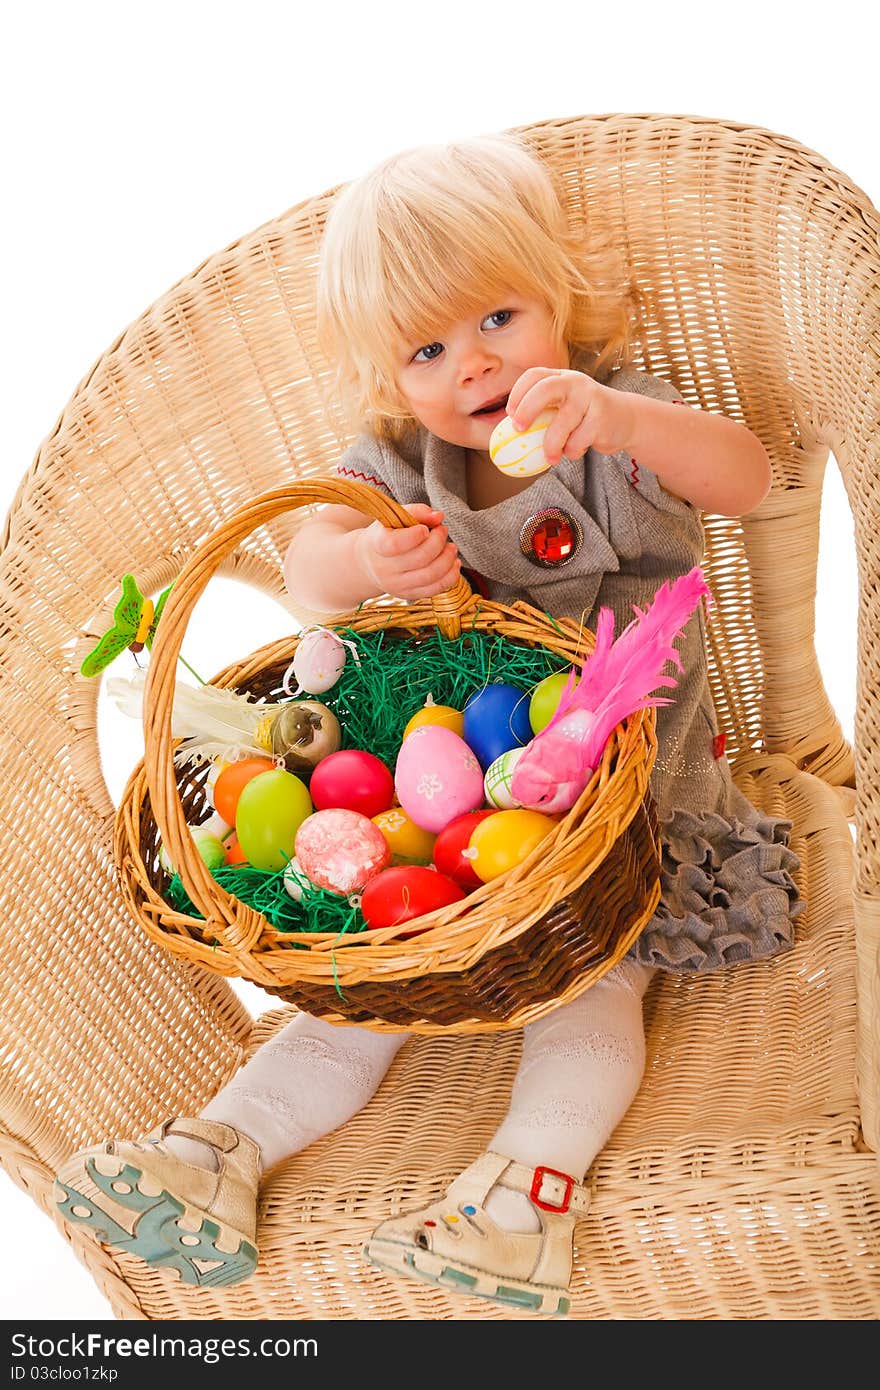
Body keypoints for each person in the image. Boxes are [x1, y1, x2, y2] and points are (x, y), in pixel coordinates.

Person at [53, 132, 803, 1316]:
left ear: (555, 297)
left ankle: (525, 1199)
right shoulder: (399, 468)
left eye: (500, 317)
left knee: (586, 989)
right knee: (362, 986)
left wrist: (618, 420)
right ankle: (216, 1153)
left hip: (626, 813)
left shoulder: (613, 421)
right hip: (449, 820)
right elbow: (307, 572)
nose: (475, 366)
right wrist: (362, 556)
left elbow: (747, 477)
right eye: (428, 348)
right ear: (388, 376)